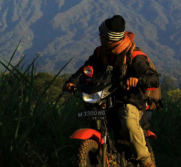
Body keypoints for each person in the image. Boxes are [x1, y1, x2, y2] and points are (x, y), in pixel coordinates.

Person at [63, 15, 159, 167]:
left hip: (129, 99)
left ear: (109, 38)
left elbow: (153, 78)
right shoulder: (101, 52)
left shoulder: (134, 55)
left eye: (102, 34)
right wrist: (72, 81)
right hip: (105, 96)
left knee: (128, 122)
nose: (99, 36)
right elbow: (86, 68)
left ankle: (146, 160)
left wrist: (137, 80)